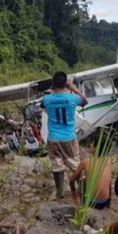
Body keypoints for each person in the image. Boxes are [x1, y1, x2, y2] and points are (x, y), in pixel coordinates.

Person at [41, 71, 88, 199]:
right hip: (69, 138)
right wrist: (73, 88)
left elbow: (42, 105)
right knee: (75, 166)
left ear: (53, 83)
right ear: (65, 84)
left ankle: (59, 192)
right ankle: (84, 192)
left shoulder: (46, 99)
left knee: (57, 165)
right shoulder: (72, 98)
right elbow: (85, 101)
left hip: (53, 139)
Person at [69, 129, 113, 209]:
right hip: (105, 202)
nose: (90, 145)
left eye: (92, 144)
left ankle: (81, 204)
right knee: (106, 179)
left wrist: (73, 192)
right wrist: (109, 202)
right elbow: (109, 183)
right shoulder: (108, 160)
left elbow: (72, 180)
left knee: (82, 180)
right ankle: (108, 205)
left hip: (92, 202)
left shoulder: (86, 162)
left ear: (96, 148)